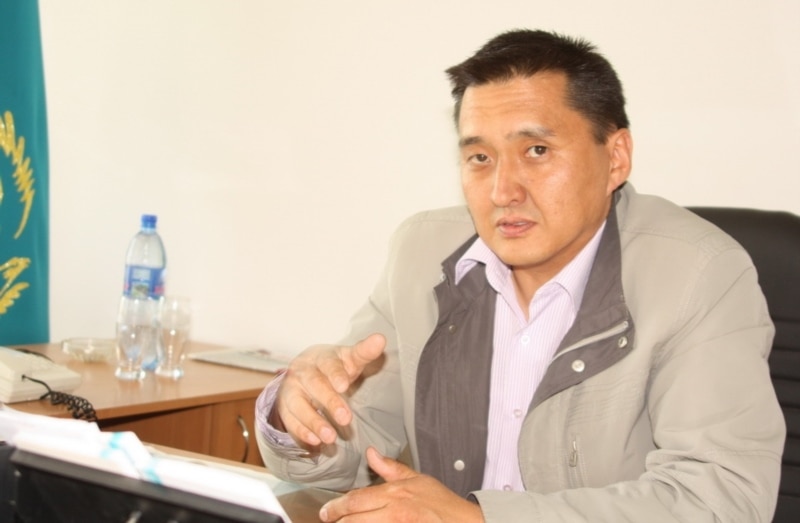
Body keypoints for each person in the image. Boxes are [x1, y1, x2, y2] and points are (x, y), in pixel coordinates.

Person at [255, 29, 785, 522]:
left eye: (537, 151)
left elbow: (723, 497)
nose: (502, 191)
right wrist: (297, 417)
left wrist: (481, 518)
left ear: (616, 157)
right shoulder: (421, 253)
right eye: (480, 157)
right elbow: (352, 448)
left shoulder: (697, 273)